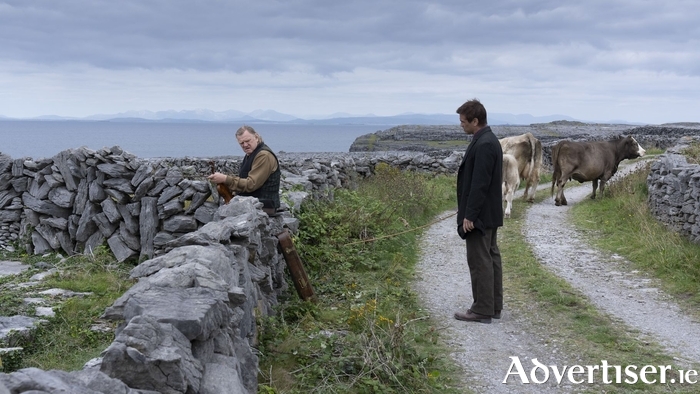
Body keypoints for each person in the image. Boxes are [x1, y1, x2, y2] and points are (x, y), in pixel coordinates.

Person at [454, 99, 504, 324]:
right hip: (489, 213)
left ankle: (482, 309)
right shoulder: (489, 139)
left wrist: (470, 215)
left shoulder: (484, 144)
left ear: (476, 121)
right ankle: (493, 305)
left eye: (464, 122)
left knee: (480, 260)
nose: (461, 125)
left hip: (480, 216)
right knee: (491, 257)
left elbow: (480, 184)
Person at [208, 125, 281, 213]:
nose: (245, 145)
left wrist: (225, 179)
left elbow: (251, 184)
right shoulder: (251, 154)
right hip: (253, 205)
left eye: (248, 141)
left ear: (256, 137)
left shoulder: (264, 156)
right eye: (241, 143)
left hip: (264, 207)